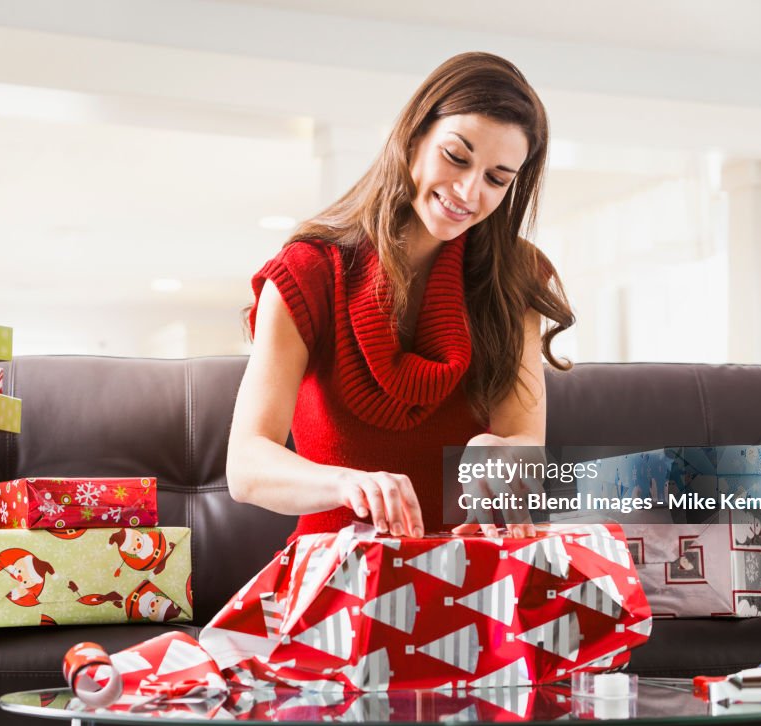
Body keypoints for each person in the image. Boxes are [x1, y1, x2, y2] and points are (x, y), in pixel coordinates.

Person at [227, 52, 574, 544]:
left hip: (470, 578)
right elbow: (246, 464)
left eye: (497, 179)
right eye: (456, 157)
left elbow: (525, 442)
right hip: (338, 577)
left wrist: (500, 452)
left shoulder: (514, 277)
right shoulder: (307, 272)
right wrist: (347, 483)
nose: (469, 191)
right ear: (413, 137)